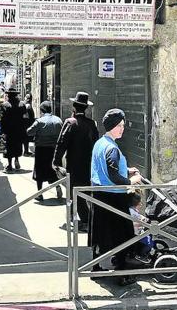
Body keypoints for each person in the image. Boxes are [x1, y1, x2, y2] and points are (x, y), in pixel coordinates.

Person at [90, 108, 143, 284]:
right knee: (122, 235)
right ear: (112, 126)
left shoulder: (100, 143)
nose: (122, 129)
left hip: (99, 196)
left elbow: (105, 168)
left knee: (101, 233)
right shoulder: (112, 148)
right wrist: (132, 181)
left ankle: (95, 267)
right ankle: (122, 274)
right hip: (113, 198)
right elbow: (112, 175)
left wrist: (126, 170)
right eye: (120, 125)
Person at [53, 92, 99, 232]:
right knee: (84, 192)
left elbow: (61, 143)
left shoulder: (70, 122)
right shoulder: (92, 124)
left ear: (74, 107)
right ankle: (83, 218)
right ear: (85, 108)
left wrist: (56, 162)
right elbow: (96, 143)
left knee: (75, 192)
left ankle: (86, 220)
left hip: (74, 164)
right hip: (89, 164)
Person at [26, 101, 63, 201]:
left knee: (39, 171)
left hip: (41, 149)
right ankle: (58, 187)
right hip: (54, 149)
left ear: (42, 111)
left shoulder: (39, 121)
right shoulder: (58, 120)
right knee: (54, 170)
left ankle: (39, 193)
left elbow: (29, 132)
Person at [0, 88, 27, 172]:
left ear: (8, 95)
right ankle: (17, 160)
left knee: (9, 147)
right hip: (19, 130)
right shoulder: (22, 104)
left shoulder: (5, 105)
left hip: (9, 130)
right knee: (17, 145)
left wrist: (2, 131)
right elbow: (25, 116)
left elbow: (2, 119)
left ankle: (10, 165)